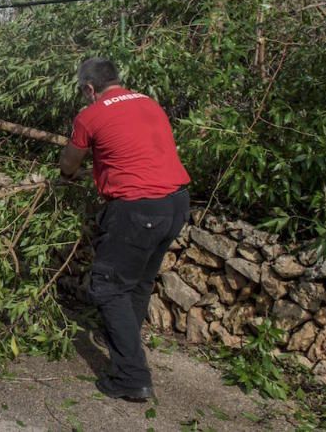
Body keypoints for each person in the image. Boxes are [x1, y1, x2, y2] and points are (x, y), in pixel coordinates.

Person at [59, 57, 191, 402]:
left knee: (107, 287)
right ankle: (122, 342)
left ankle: (131, 377)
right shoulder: (148, 101)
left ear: (89, 88)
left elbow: (69, 164)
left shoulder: (91, 114)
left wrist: (69, 176)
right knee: (138, 283)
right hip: (175, 203)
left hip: (137, 208)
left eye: (83, 91)